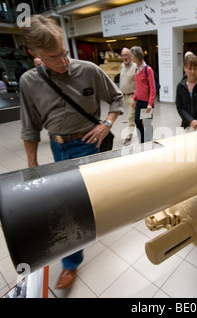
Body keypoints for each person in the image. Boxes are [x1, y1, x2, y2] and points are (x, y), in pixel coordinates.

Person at [19, 15, 124, 289]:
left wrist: (106, 124)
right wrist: (32, 165)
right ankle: (82, 233)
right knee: (72, 200)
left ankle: (70, 262)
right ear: (35, 54)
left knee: (70, 205)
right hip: (57, 146)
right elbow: (30, 128)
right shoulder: (29, 82)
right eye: (54, 57)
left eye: (64, 53)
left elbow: (117, 98)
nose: (63, 61)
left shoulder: (88, 70)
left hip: (88, 143)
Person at [176, 53, 197, 131]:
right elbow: (180, 107)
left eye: (195, 68)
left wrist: (196, 123)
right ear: (184, 68)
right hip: (186, 124)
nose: (192, 72)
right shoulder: (180, 86)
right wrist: (190, 121)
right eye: (189, 68)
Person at [130, 46, 156, 143]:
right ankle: (142, 141)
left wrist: (150, 104)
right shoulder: (136, 69)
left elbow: (153, 88)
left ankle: (148, 142)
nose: (131, 58)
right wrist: (134, 98)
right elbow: (138, 86)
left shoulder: (148, 70)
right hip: (139, 101)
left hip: (147, 102)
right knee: (137, 121)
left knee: (148, 123)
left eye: (132, 56)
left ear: (137, 56)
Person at [119, 47, 137, 145]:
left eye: (126, 55)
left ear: (130, 55)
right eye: (123, 55)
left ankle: (129, 136)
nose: (125, 57)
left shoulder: (135, 66)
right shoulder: (122, 66)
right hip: (126, 96)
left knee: (131, 116)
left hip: (134, 96)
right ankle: (145, 132)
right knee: (135, 116)